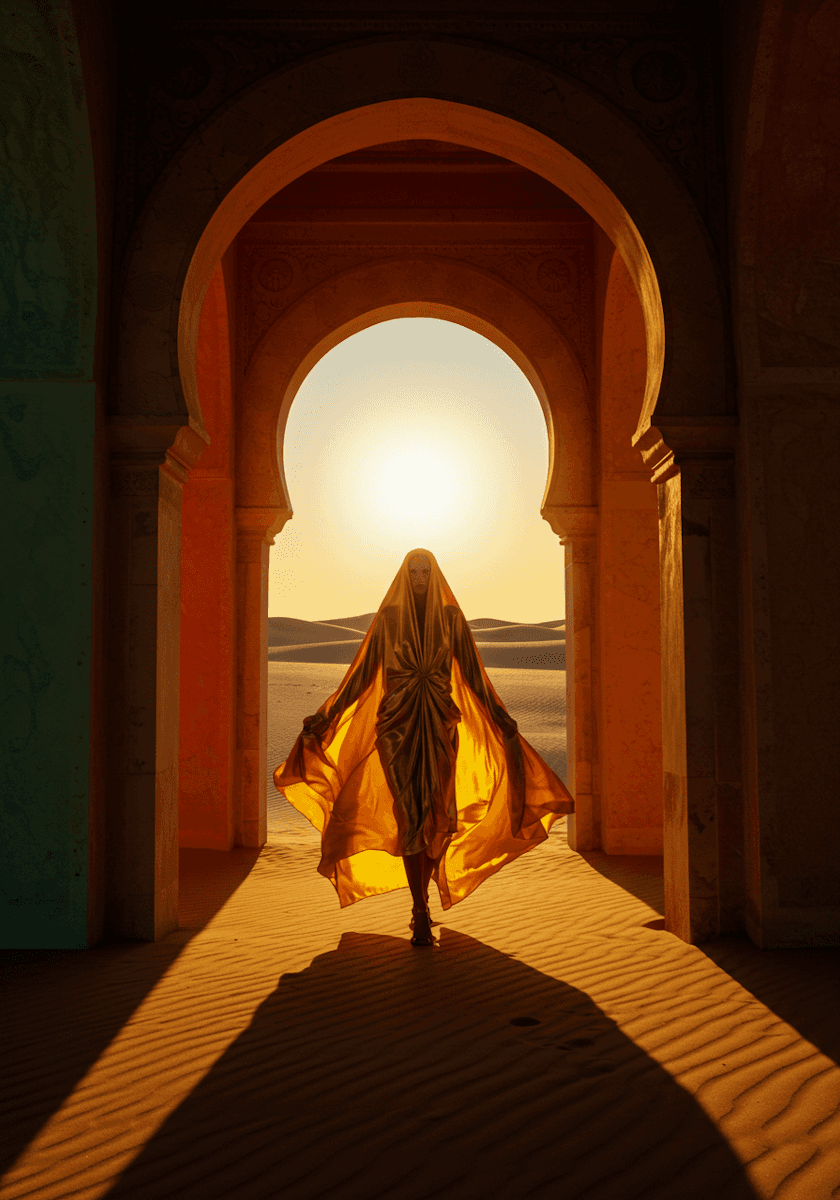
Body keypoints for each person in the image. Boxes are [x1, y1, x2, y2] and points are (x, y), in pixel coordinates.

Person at [274, 549, 574, 946]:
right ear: (404, 575)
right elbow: (362, 676)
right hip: (396, 730)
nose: (418, 578)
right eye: (412, 571)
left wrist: (500, 718)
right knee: (410, 817)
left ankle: (424, 898)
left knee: (436, 815)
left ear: (433, 576)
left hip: (438, 726)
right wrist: (327, 717)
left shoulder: (451, 620)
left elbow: (472, 674)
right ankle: (419, 907)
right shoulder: (388, 620)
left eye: (424, 571)